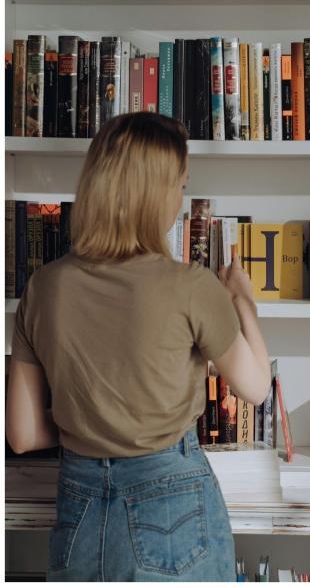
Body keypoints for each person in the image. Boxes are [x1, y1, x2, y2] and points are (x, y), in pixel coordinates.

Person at [6, 112, 271, 582]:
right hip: (174, 508)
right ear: (157, 193)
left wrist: (91, 425)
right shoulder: (191, 285)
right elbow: (255, 388)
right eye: (180, 186)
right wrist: (243, 302)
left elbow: (22, 435)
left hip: (79, 509)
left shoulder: (43, 287)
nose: (180, 200)